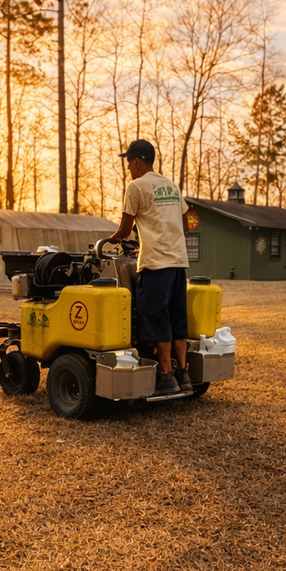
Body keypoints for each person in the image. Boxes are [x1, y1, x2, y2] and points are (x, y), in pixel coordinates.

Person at [107, 139, 193, 397]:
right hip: (178, 262)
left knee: (155, 315)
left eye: (128, 164)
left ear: (136, 161)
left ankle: (165, 375)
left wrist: (111, 240)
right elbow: (188, 222)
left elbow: (123, 230)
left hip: (155, 263)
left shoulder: (136, 186)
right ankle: (183, 372)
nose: (128, 170)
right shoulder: (171, 185)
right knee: (177, 315)